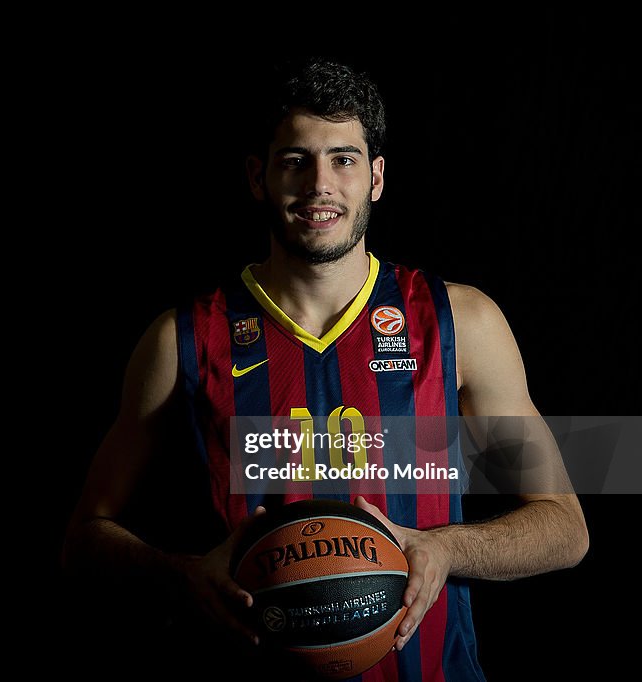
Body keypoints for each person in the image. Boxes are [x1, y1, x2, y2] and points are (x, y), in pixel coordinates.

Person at [61, 58, 588, 680]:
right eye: (294, 160)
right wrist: (182, 573)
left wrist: (443, 547)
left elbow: (565, 526)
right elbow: (84, 537)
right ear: (259, 176)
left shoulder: (460, 322)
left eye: (343, 159)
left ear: (377, 178)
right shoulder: (181, 339)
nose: (320, 184)